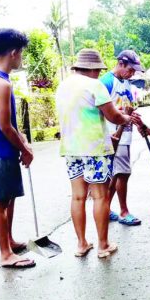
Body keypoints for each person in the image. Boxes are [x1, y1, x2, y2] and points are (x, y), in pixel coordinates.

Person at [56, 49, 140, 258]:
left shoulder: (63, 86)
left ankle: (82, 244)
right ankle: (103, 245)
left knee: (77, 197)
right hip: (95, 149)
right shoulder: (95, 85)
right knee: (100, 196)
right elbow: (113, 116)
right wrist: (127, 119)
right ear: (93, 69)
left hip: (71, 149)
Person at [0, 28, 35, 269]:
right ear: (13, 52)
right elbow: (4, 126)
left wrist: (20, 138)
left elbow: (8, 123)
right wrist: (25, 148)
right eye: (20, 53)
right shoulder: (2, 84)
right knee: (1, 201)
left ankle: (8, 241)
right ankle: (5, 254)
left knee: (8, 198)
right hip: (2, 149)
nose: (21, 58)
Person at [100, 50, 145, 226]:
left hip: (125, 133)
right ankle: (124, 211)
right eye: (131, 69)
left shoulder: (125, 82)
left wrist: (132, 114)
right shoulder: (106, 82)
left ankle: (105, 208)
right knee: (122, 173)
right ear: (121, 63)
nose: (133, 73)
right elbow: (100, 109)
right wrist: (122, 114)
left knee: (116, 173)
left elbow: (126, 105)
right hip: (113, 134)